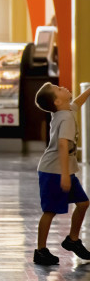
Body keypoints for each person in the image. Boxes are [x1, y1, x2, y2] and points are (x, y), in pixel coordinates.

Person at [32, 83, 90, 265]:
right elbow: (63, 145)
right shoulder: (64, 117)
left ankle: (72, 240)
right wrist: (65, 175)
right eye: (58, 89)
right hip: (54, 171)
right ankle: (40, 251)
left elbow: (78, 102)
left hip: (63, 170)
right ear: (57, 101)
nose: (63, 87)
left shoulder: (65, 110)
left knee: (83, 203)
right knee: (50, 211)